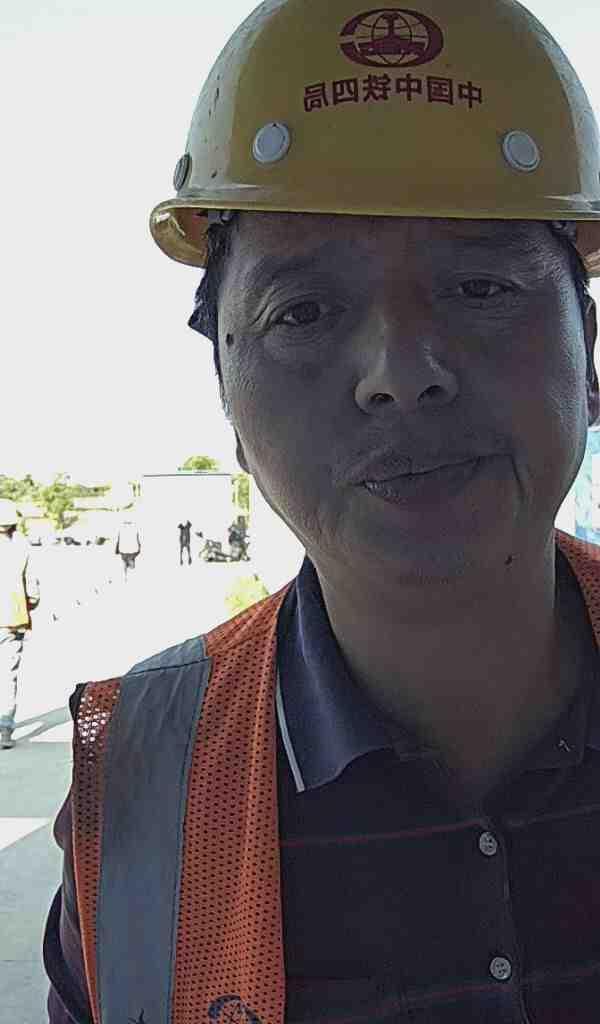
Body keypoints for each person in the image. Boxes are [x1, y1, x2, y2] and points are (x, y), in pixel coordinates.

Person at [44, 1, 600, 1021]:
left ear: (590, 352)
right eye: (303, 310)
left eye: (480, 288)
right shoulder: (138, 785)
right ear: (226, 394)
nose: (401, 371)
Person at [0, 499, 40, 750]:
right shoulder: (21, 548)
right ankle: (4, 729)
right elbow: (33, 590)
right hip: (11, 620)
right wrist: (29, 603)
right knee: (7, 675)